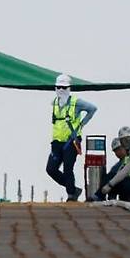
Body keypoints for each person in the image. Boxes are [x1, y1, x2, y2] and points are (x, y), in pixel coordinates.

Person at [45, 74, 97, 202]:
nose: (61, 90)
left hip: (71, 142)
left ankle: (71, 196)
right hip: (57, 142)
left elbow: (92, 109)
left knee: (68, 168)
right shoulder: (55, 103)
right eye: (58, 87)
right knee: (51, 169)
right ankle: (73, 189)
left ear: (69, 88)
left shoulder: (76, 102)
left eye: (64, 87)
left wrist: (81, 125)